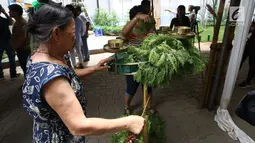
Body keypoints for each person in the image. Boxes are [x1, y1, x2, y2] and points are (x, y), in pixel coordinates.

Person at [23, 4, 144, 142]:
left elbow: (65, 73)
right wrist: (129, 122)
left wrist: (93, 68)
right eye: (73, 33)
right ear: (56, 33)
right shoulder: (53, 81)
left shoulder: (37, 57)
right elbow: (79, 126)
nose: (75, 38)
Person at [122, 0, 155, 115]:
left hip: (147, 61)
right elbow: (124, 32)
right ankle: (126, 106)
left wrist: (154, 36)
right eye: (140, 19)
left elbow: (155, 36)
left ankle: (148, 106)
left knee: (148, 85)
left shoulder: (147, 27)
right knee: (132, 86)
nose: (143, 21)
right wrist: (137, 17)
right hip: (133, 62)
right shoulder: (130, 29)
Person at [8, 4, 31, 76]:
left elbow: (22, 38)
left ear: (16, 12)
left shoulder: (21, 23)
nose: (9, 12)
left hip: (23, 50)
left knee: (26, 68)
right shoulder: (18, 21)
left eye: (10, 11)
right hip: (22, 49)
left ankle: (28, 85)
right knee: (24, 67)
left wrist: (14, 48)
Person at [0, 4, 20, 80]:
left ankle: (1, 76)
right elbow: (12, 22)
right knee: (11, 58)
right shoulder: (3, 20)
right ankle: (13, 75)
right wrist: (4, 13)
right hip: (8, 41)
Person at [237, 20, 255, 88]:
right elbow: (250, 29)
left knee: (252, 64)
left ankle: (248, 81)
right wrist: (250, 29)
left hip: (252, 44)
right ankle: (232, 75)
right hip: (250, 43)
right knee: (240, 60)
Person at [66, 4, 84, 68]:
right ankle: (81, 63)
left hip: (71, 38)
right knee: (79, 51)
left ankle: (74, 65)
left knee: (72, 52)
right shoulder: (79, 20)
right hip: (78, 38)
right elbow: (82, 31)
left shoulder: (68, 20)